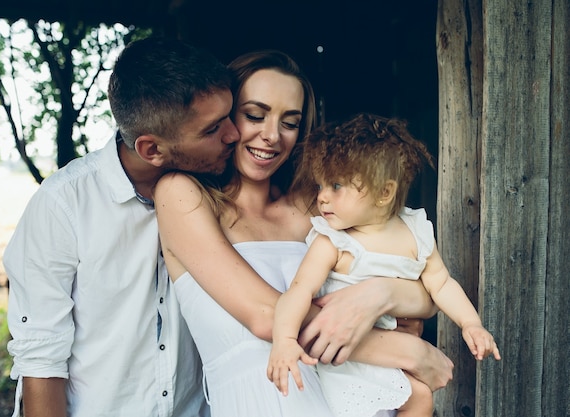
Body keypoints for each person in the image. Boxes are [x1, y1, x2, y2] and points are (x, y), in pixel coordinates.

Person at [153, 51, 454, 417]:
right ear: (226, 117)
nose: (271, 136)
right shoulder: (182, 195)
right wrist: (408, 352)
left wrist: (380, 293)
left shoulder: (319, 207)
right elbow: (266, 316)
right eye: (254, 115)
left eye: (290, 123)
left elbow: (423, 290)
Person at [4, 36, 240, 417]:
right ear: (151, 149)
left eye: (231, 116)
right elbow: (41, 360)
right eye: (212, 130)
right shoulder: (64, 204)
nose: (234, 134)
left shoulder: (225, 190)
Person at [267, 112, 501, 417]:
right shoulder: (333, 242)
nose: (322, 197)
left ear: (385, 192)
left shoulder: (415, 232)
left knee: (421, 399)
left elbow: (441, 283)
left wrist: (471, 323)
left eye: (336, 186)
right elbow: (298, 291)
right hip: (340, 357)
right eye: (321, 185)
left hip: (385, 355)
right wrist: (283, 340)